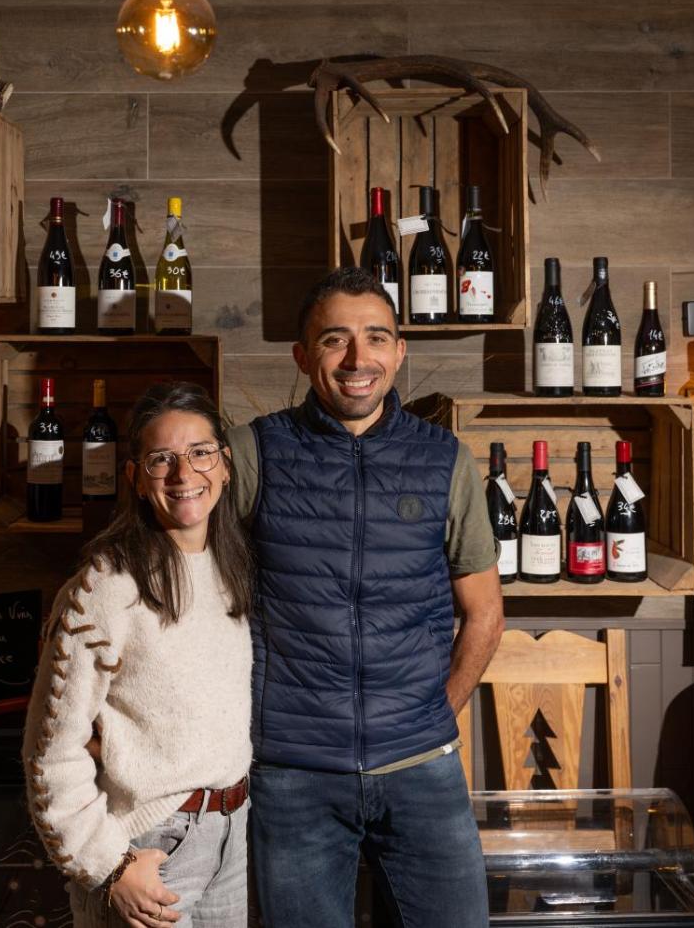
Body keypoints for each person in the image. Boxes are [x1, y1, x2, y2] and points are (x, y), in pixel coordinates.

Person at [226, 267, 506, 927]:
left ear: (399, 351)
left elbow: (485, 614)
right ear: (302, 356)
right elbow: (179, 579)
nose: (358, 358)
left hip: (423, 768)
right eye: (335, 339)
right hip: (294, 772)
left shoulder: (445, 459)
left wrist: (432, 713)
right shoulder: (252, 452)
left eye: (376, 337)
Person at [23, 382, 253, 928]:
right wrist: (110, 866)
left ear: (224, 466)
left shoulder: (230, 569)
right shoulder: (107, 587)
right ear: (134, 478)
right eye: (161, 459)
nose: (183, 473)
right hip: (149, 844)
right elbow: (50, 750)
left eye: (200, 452)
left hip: (232, 834)